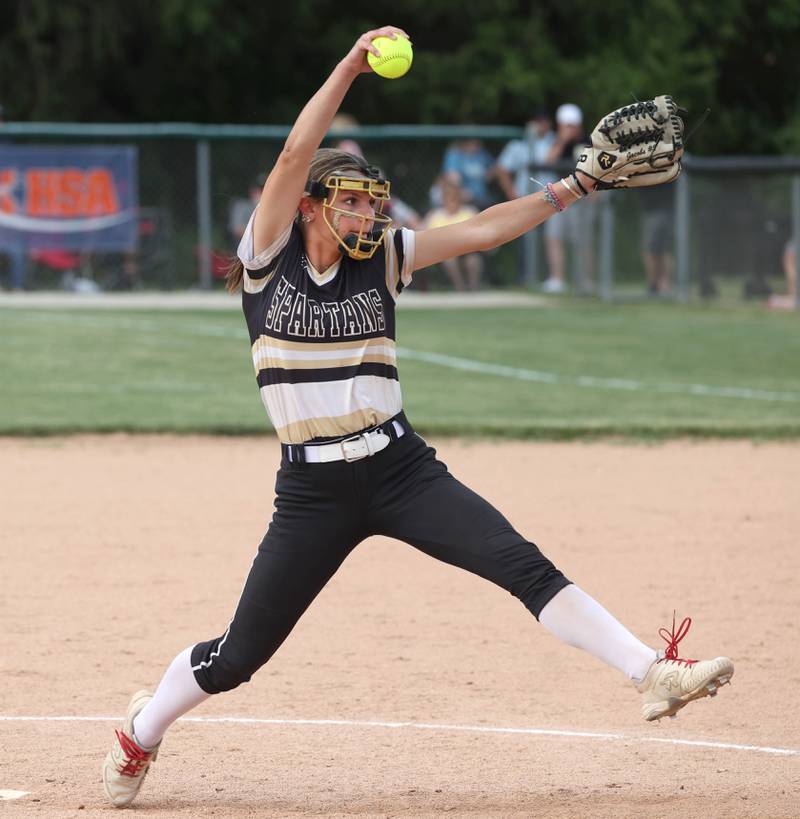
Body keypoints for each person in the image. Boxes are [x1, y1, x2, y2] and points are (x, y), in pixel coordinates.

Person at [102, 26, 734, 808]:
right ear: (310, 207)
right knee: (237, 657)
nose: (369, 213)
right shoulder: (268, 257)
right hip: (312, 494)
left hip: (400, 469)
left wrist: (575, 187)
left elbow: (483, 228)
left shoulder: (385, 258)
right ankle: (143, 729)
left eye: (374, 201)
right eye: (353, 201)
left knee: (524, 565)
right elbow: (296, 151)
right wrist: (348, 66)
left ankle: (653, 672)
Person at [495, 110, 557, 283]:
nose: (541, 126)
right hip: (525, 199)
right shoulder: (518, 146)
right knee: (525, 240)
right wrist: (512, 195)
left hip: (550, 200)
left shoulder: (553, 142)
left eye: (543, 122)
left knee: (549, 238)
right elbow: (502, 169)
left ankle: (550, 277)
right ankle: (526, 277)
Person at [541, 103, 596, 294]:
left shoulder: (589, 141)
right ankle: (557, 279)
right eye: (567, 125)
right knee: (554, 238)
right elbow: (547, 162)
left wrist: (593, 196)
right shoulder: (556, 142)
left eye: (573, 125)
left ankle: (585, 280)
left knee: (583, 241)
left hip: (581, 199)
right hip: (559, 198)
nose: (570, 129)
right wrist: (562, 141)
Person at [422, 176, 482, 290]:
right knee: (450, 261)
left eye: (455, 197)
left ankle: (474, 289)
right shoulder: (435, 215)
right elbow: (426, 235)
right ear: (443, 199)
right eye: (448, 197)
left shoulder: (469, 212)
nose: (452, 200)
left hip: (467, 249)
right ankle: (460, 288)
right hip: (444, 252)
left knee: (473, 261)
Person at [439, 138, 496, 211]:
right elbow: (453, 178)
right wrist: (461, 192)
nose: (475, 144)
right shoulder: (455, 154)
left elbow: (495, 168)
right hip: (464, 198)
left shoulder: (482, 153)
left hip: (482, 197)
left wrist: (485, 178)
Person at [638, 185, 675, 296]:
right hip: (652, 210)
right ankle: (657, 285)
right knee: (655, 250)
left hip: (659, 210)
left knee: (656, 250)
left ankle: (661, 285)